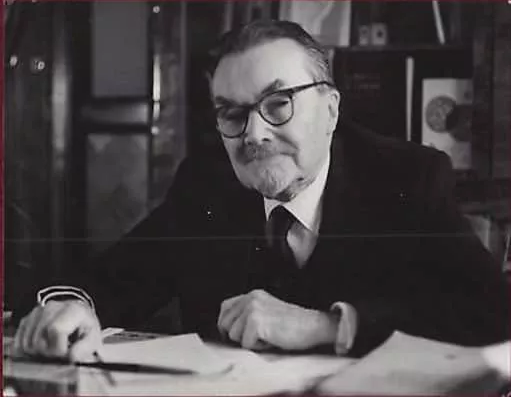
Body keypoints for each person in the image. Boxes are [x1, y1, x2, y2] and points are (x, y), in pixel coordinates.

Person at [13, 20, 509, 361]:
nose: (253, 134)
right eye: (232, 113)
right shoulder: (205, 184)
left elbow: (491, 314)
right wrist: (74, 307)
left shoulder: (406, 178)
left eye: (277, 104)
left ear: (331, 110)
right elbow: (116, 279)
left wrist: (327, 326)